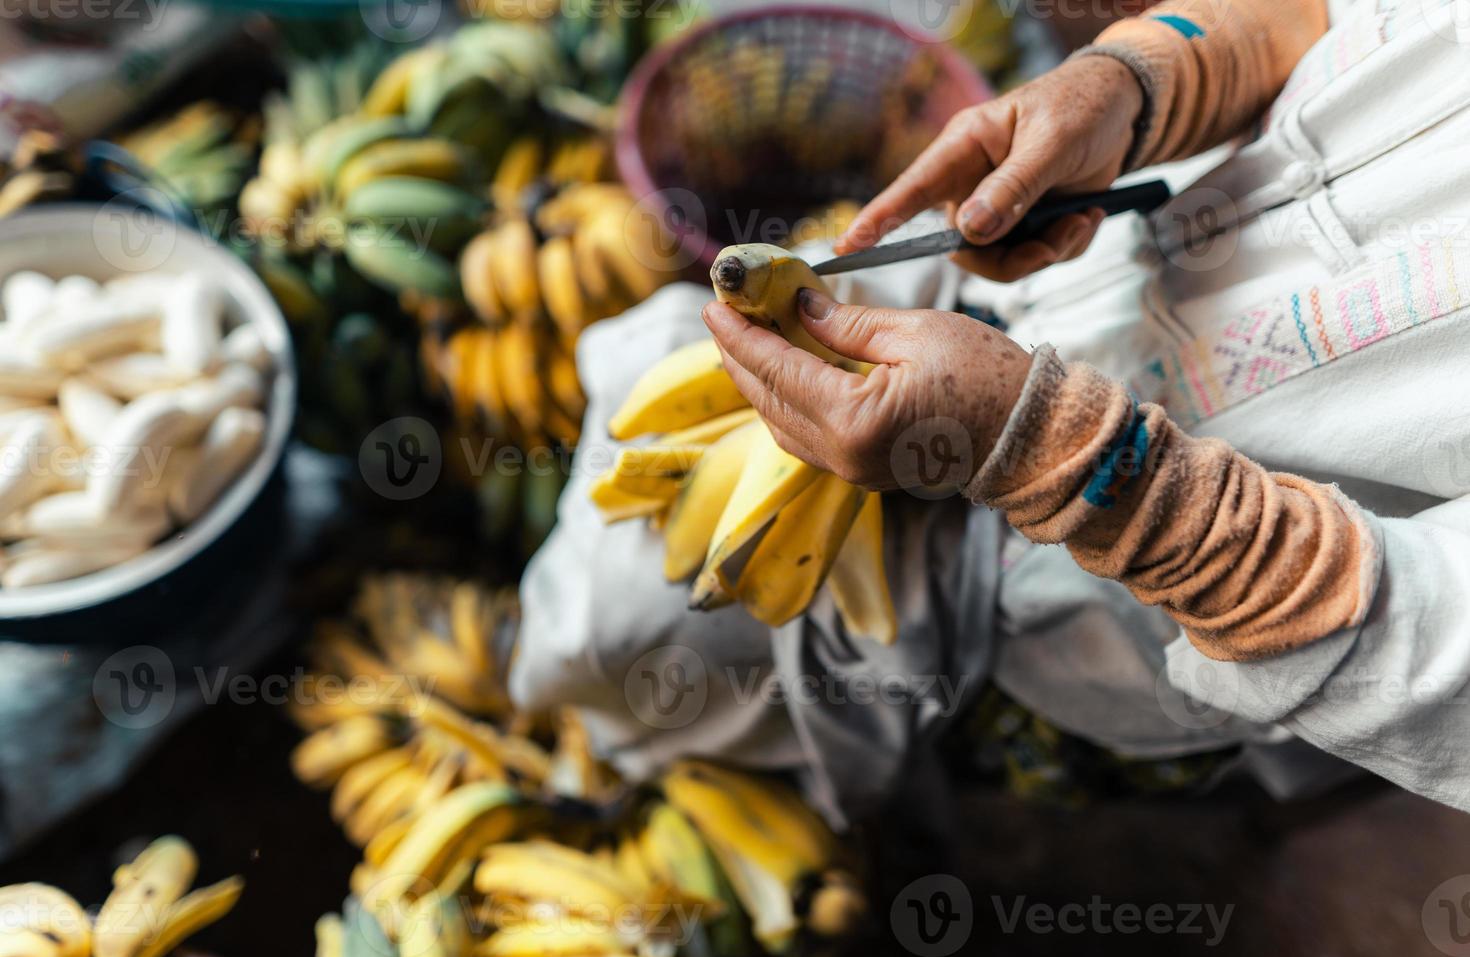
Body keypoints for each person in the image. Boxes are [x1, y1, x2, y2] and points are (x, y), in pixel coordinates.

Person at [516, 0, 1470, 819]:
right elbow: (1318, 16)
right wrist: (1154, 74)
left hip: (1097, 592)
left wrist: (1051, 449)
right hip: (1037, 285)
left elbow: (1434, 660)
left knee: (625, 631)